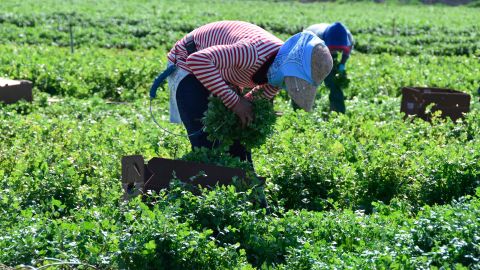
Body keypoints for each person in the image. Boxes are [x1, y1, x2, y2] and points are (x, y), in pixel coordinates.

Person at [154, 21, 332, 162]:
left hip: (221, 71)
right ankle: (197, 190)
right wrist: (236, 102)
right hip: (188, 63)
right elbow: (198, 61)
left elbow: (252, 101)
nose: (292, 85)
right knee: (206, 141)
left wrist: (253, 111)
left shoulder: (279, 75)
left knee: (238, 143)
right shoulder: (253, 52)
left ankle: (245, 190)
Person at [304, 22, 354, 113]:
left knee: (333, 82)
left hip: (327, 44)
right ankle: (303, 107)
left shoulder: (348, 37)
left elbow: (347, 52)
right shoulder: (314, 37)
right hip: (308, 47)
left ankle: (337, 110)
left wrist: (342, 64)